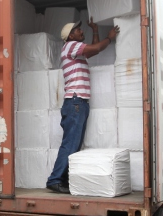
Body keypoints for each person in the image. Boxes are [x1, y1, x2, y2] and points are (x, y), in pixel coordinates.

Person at [46, 19, 120, 194]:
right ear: (70, 35)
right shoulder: (71, 46)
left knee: (74, 144)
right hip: (75, 102)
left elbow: (92, 51)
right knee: (70, 144)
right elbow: (96, 48)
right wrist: (109, 38)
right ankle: (55, 180)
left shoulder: (75, 50)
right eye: (78, 29)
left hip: (78, 103)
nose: (81, 31)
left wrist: (95, 31)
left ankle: (61, 179)